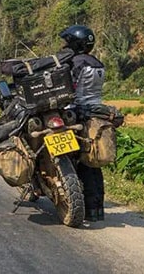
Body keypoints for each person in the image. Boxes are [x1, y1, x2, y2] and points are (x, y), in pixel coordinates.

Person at [59, 24, 106, 222]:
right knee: (91, 162)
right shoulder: (97, 63)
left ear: (74, 43)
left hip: (75, 111)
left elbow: (66, 86)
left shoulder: (74, 62)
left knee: (76, 159)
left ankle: (77, 201)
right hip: (95, 112)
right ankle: (96, 209)